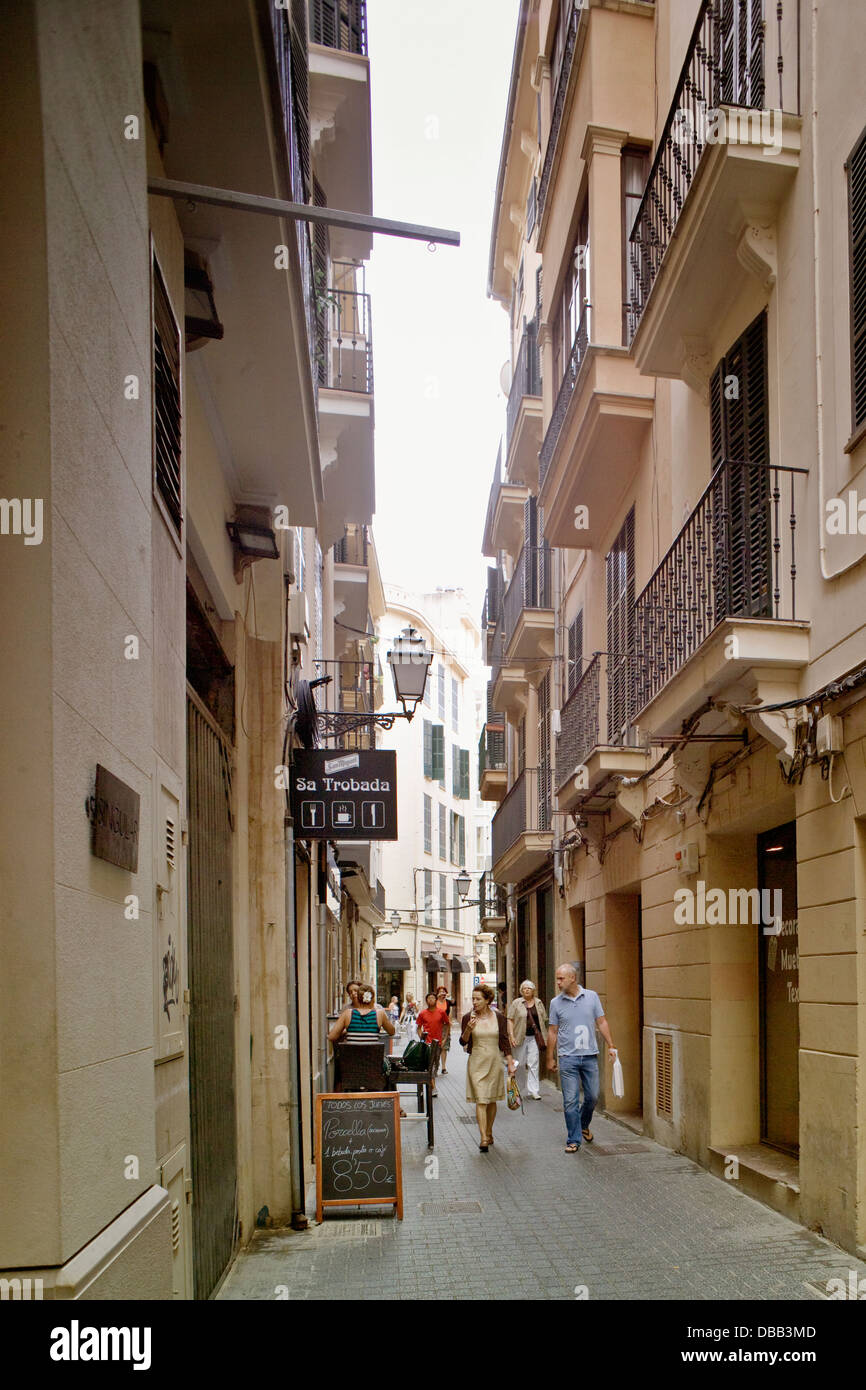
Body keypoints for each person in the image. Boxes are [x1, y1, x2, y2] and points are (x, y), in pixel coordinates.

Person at [546, 963, 617, 1153]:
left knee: (592, 1096)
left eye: (561, 978)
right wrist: (550, 1057)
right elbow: (552, 1031)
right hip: (567, 1057)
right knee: (570, 1100)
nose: (558, 982)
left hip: (589, 1056)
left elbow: (601, 1021)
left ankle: (583, 1124)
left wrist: (611, 1045)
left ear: (573, 978)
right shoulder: (555, 1003)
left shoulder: (591, 996)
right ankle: (574, 1139)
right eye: (557, 978)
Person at [460, 983, 516, 1152]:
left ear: (487, 1000)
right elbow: (463, 1042)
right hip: (476, 1061)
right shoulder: (467, 1018)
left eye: (478, 999)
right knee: (481, 1099)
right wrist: (468, 1030)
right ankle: (483, 1136)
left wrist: (510, 1062)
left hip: (494, 1061)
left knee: (491, 1100)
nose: (474, 1002)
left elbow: (504, 1040)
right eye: (473, 999)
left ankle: (489, 1131)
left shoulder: (498, 1017)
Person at [507, 980, 548, 1100]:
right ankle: (519, 1087)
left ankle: (534, 1090)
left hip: (534, 1038)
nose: (526, 990)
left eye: (529, 988)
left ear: (533, 990)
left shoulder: (539, 1002)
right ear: (521, 990)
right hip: (520, 1037)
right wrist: (511, 1035)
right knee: (519, 1063)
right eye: (524, 988)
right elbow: (510, 1019)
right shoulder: (516, 1003)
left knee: (533, 1063)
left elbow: (543, 1019)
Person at [328, 984, 395, 1043]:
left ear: (358, 998)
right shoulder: (380, 1014)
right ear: (372, 999)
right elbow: (392, 1032)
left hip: (351, 1057)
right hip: (372, 1056)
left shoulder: (347, 1013)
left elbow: (332, 1037)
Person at [415, 993, 449, 1093]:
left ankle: (431, 1082)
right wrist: (423, 1039)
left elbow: (447, 1025)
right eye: (429, 998)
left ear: (436, 1000)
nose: (431, 1000)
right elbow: (418, 1028)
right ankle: (433, 1087)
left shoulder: (441, 1012)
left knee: (436, 1065)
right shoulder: (422, 1013)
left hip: (438, 1043)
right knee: (430, 1065)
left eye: (433, 998)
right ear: (426, 1001)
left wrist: (445, 1039)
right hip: (427, 1044)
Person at [434, 985, 454, 1074]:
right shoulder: (434, 1002)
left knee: (444, 1047)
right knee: (435, 1047)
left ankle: (443, 1067)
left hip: (445, 1026)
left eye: (444, 991)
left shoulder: (448, 1002)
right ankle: (435, 1066)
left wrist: (449, 1027)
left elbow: (450, 1014)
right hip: (435, 1026)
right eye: (440, 991)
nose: (442, 993)